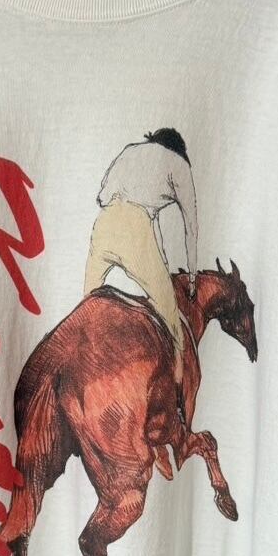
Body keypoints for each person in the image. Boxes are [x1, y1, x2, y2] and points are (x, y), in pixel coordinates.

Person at [84, 128, 198, 423]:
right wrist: (192, 278)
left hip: (104, 224)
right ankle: (177, 388)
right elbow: (190, 228)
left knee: (86, 311)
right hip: (135, 227)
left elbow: (103, 197)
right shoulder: (179, 164)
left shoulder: (131, 151)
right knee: (169, 311)